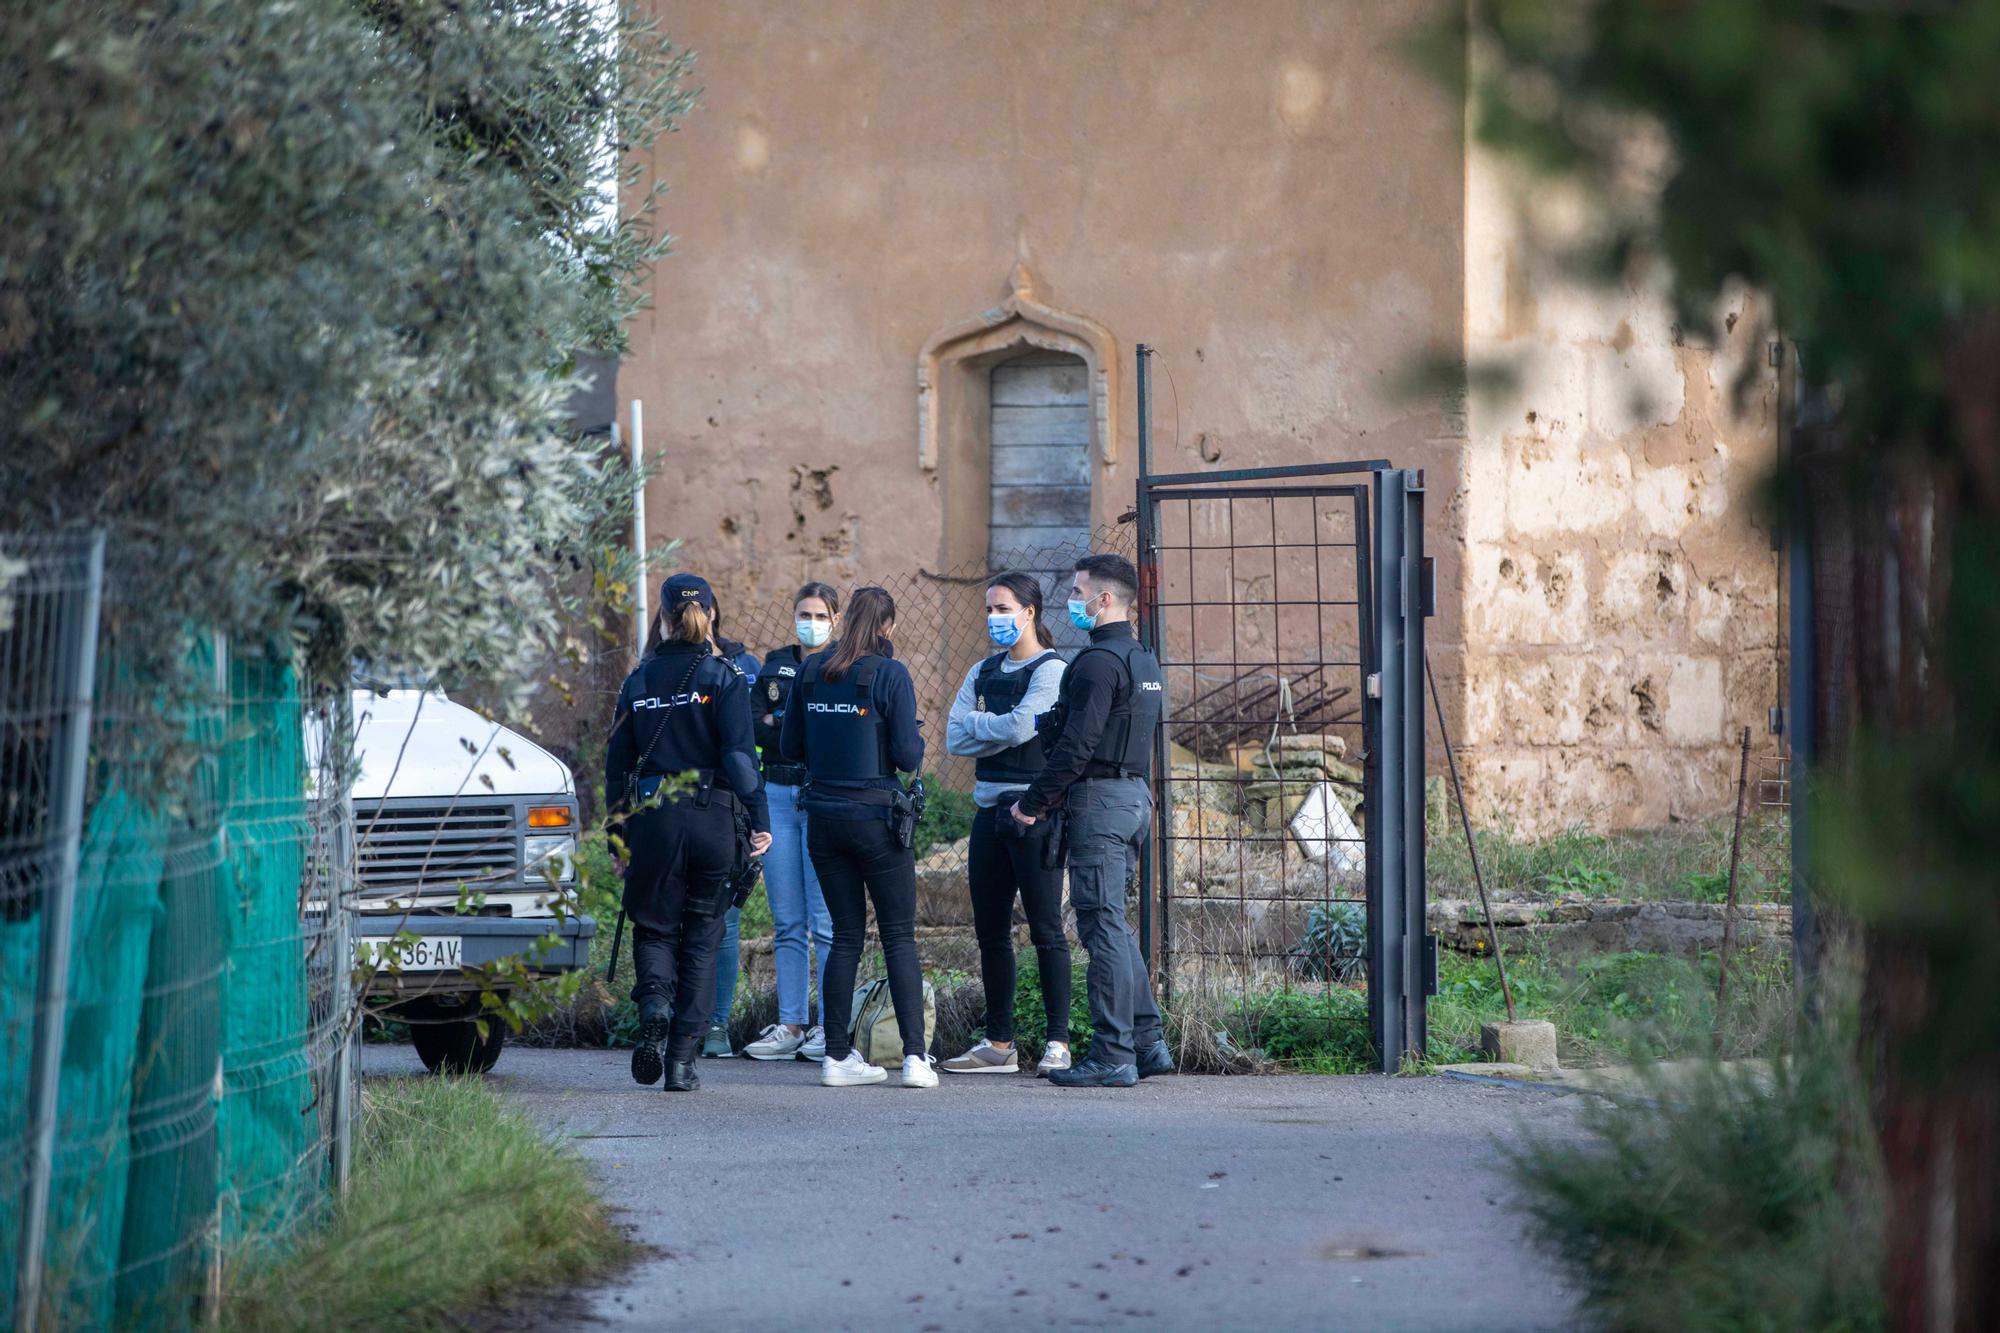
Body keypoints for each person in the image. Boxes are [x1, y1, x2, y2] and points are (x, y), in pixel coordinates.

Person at [1011, 554, 1174, 1088]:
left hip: (1100, 802)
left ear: (1105, 600)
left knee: (1098, 926)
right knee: (1114, 924)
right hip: (1132, 797)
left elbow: (1077, 745)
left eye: (1078, 592)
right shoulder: (1143, 659)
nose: (1071, 601)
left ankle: (1112, 1052)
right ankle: (1146, 1043)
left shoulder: (1096, 663)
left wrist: (1032, 801)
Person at [606, 573, 772, 1092]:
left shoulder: (638, 681)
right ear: (710, 616)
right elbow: (739, 757)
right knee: (703, 940)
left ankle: (655, 1001)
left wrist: (618, 836)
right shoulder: (724, 676)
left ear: (663, 619)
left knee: (654, 928)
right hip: (714, 820)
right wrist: (761, 820)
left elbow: (617, 767)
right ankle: (681, 1063)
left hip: (656, 819)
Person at [778, 585, 935, 1089]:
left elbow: (789, 746)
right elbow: (909, 758)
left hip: (823, 821)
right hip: (877, 822)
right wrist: (912, 734)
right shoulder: (890, 674)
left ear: (844, 622)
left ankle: (837, 1057)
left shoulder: (811, 671)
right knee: (898, 937)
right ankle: (914, 1059)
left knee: (845, 937)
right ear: (887, 627)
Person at [941, 572, 1073, 1076]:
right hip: (988, 812)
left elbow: (1025, 726)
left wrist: (984, 726)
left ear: (1030, 612)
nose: (994, 618)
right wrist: (993, 727)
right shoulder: (982, 670)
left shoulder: (1051, 669)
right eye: (990, 609)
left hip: (1034, 812)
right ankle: (999, 1044)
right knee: (990, 931)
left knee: (1045, 930)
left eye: (1003, 608)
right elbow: (954, 738)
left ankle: (1057, 1043)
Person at [740, 583, 841, 1062]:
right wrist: (789, 725)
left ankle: (829, 1026)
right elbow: (754, 723)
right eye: (805, 613)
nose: (812, 621)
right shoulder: (774, 663)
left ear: (836, 620)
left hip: (821, 796)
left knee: (825, 921)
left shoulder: (842, 664)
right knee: (787, 921)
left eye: (821, 614)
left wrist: (784, 723)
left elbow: (829, 729)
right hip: (777, 794)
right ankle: (791, 1023)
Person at [697, 605, 765, 1059]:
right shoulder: (656, 668)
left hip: (731, 808)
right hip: (679, 808)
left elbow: (753, 737)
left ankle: (717, 1024)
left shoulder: (745, 666)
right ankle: (682, 1019)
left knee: (726, 919)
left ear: (713, 612)